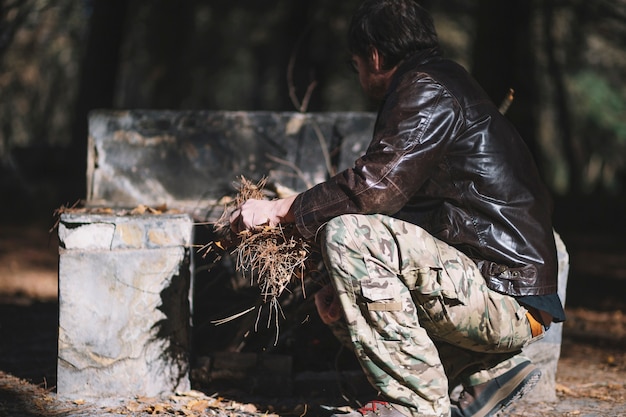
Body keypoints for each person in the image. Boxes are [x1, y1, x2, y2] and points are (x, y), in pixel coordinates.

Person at [229, 1, 566, 416]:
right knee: (346, 267)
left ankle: (414, 404)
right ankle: (476, 377)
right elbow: (404, 212)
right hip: (508, 294)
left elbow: (375, 187)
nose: (359, 76)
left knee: (347, 236)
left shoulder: (426, 88)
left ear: (372, 56)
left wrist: (282, 208)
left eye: (355, 66)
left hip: (503, 297)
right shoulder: (444, 82)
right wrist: (346, 285)